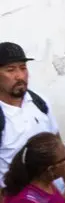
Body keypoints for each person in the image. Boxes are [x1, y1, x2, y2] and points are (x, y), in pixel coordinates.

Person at [0, 42, 59, 183]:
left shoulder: (39, 102)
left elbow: (58, 145)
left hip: (55, 193)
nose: (20, 76)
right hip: (19, 200)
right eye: (11, 70)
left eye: (23, 68)